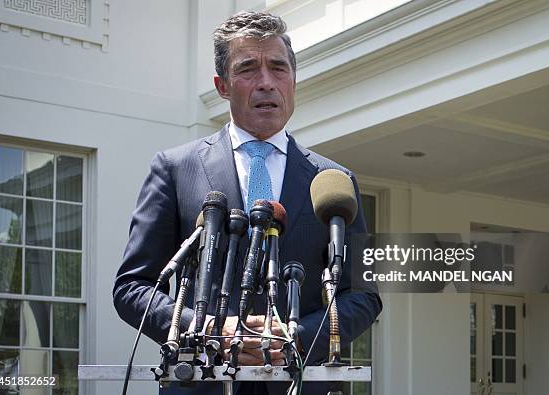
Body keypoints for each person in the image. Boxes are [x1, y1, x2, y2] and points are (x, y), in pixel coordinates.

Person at [113, 11, 382, 395]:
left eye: (278, 68)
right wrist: (204, 330)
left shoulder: (334, 181)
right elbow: (133, 287)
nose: (266, 83)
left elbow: (364, 296)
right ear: (222, 85)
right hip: (202, 381)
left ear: (294, 79)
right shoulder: (174, 169)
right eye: (248, 69)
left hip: (298, 383)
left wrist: (297, 337)